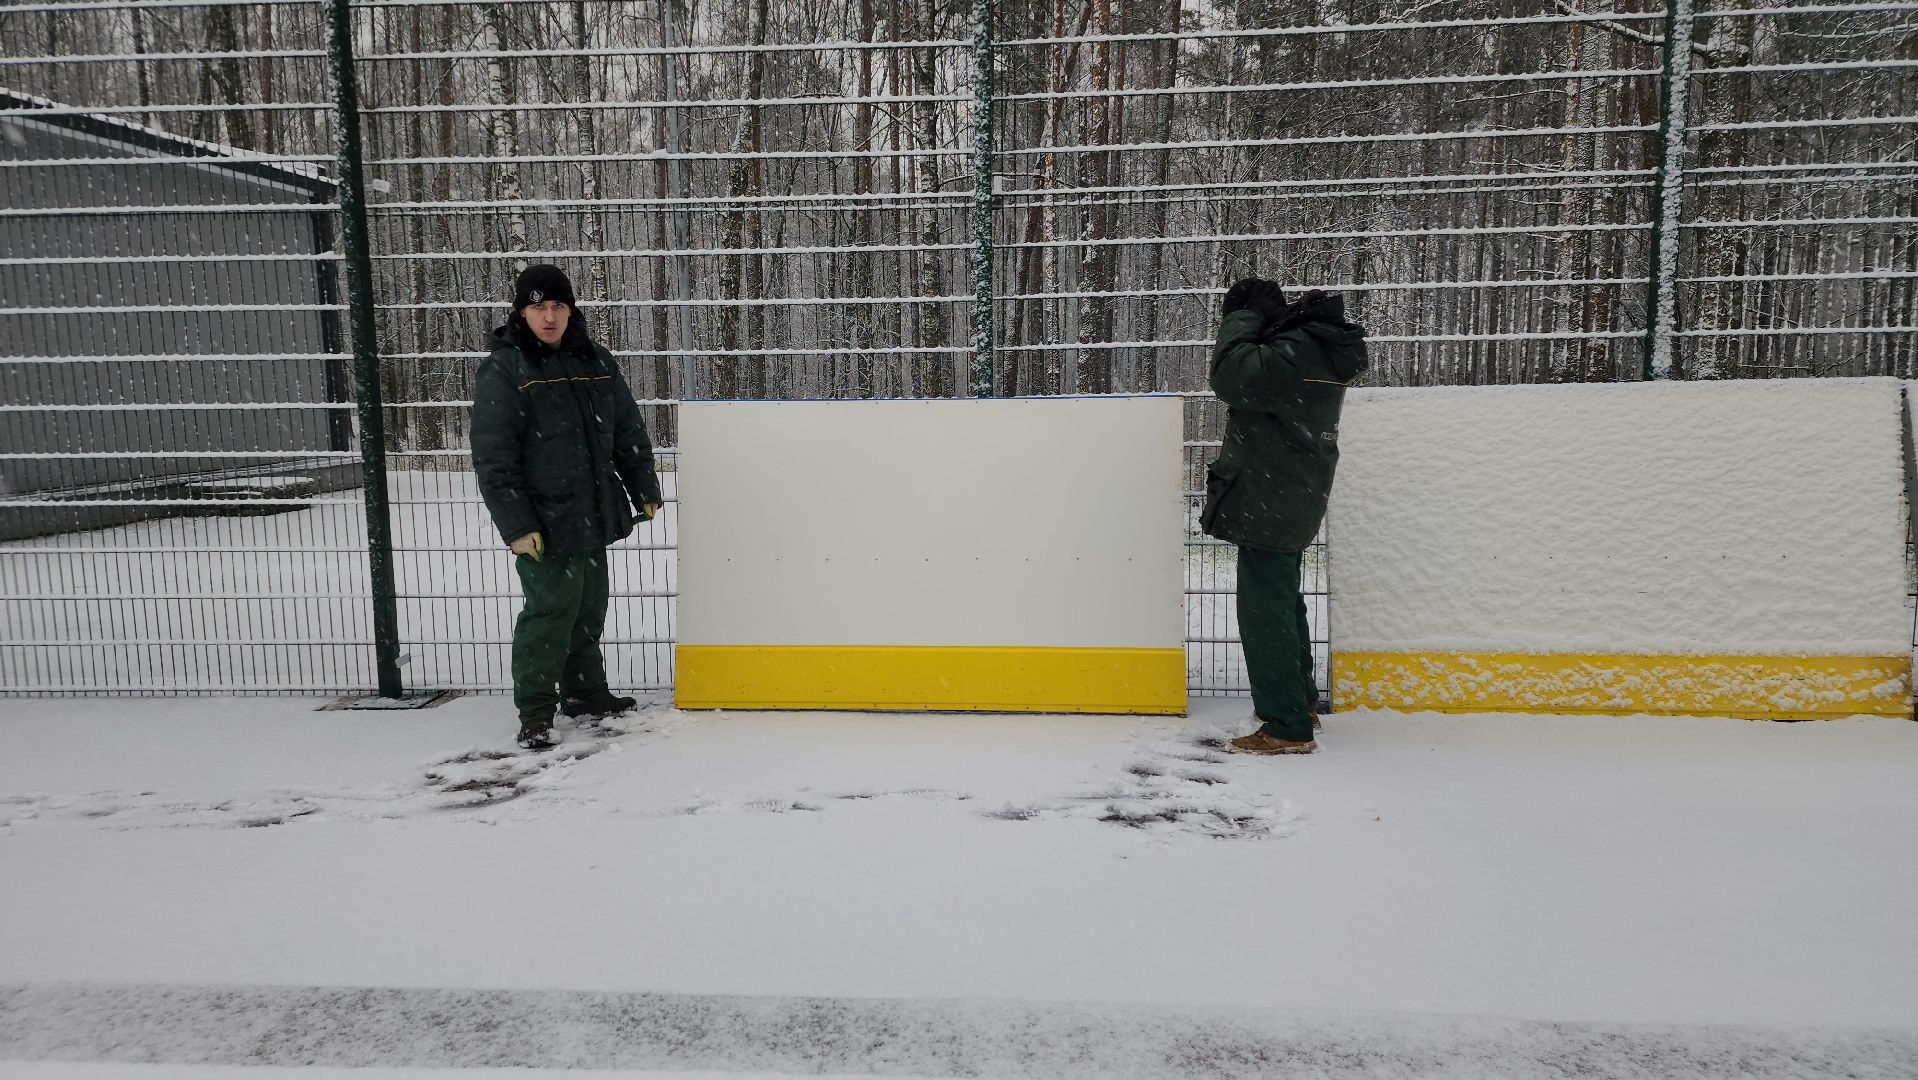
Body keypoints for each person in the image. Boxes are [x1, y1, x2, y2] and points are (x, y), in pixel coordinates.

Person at [472, 264, 663, 749]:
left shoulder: (595, 359)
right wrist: (516, 525)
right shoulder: (506, 368)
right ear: (522, 312)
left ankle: (584, 693)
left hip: (593, 510)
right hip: (542, 519)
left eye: (558, 305)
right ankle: (535, 712)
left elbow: (627, 430)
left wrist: (643, 485)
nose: (550, 316)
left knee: (588, 606)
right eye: (539, 307)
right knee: (550, 611)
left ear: (571, 309)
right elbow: (495, 458)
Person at [1202, 277, 1369, 755]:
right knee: (1281, 597)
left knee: (1264, 608)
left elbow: (1231, 375)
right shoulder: (1311, 347)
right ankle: (1298, 702)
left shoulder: (1294, 349)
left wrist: (1242, 318)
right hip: (1289, 489)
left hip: (1271, 492)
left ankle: (1286, 725)